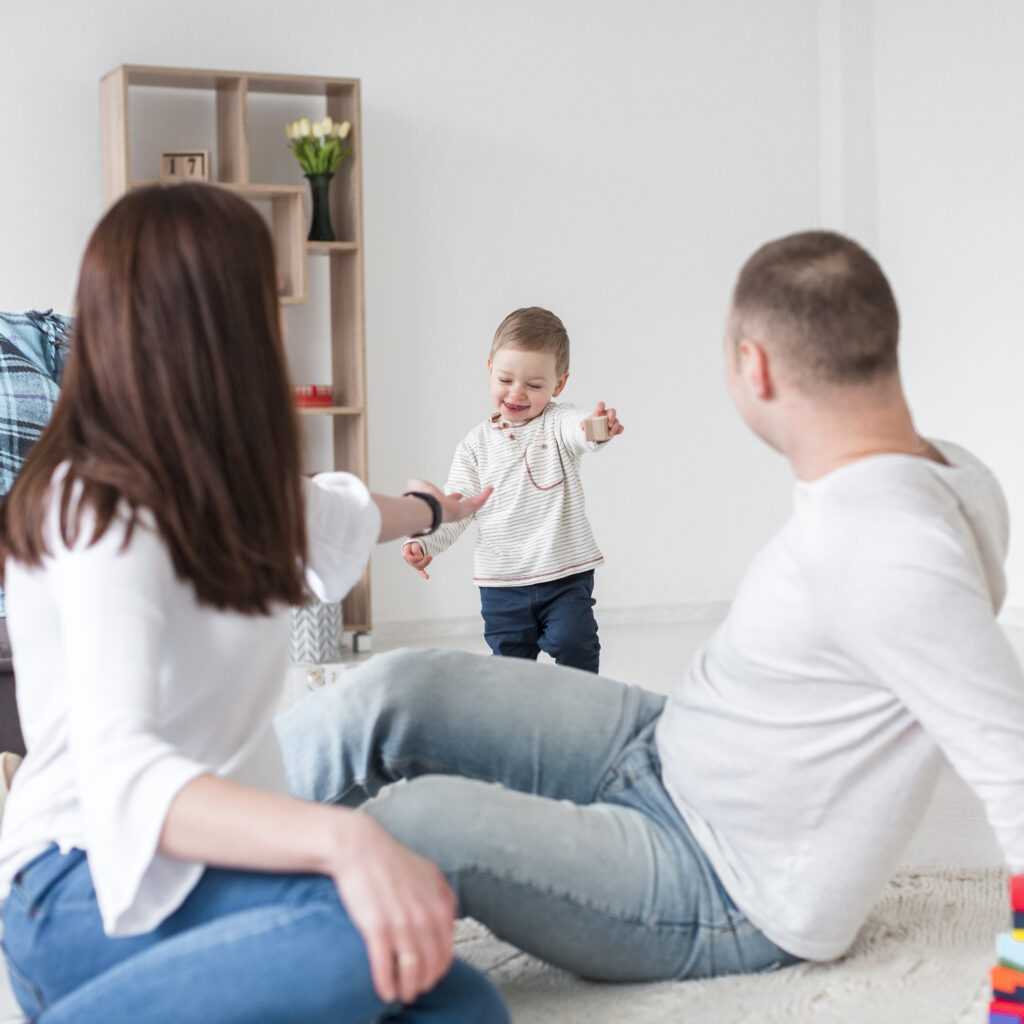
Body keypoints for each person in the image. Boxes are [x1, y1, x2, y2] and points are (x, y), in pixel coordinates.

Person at [277, 229, 1024, 980]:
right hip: (663, 746)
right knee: (395, 691)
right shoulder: (951, 473)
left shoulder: (895, 546)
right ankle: (197, 834)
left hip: (720, 878)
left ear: (753, 366)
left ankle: (222, 946)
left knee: (409, 826)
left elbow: (1012, 762)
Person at [0, 183, 507, 1023]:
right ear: (215, 326)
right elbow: (122, 774)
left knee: (458, 1000)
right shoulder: (94, 507)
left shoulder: (240, 489)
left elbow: (353, 513)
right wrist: (345, 839)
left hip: (214, 865)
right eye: (267, 299)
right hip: (80, 884)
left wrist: (437, 508)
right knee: (358, 937)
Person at [402, 306, 624, 673]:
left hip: (563, 575)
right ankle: (517, 720)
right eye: (506, 380)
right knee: (509, 667)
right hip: (501, 583)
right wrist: (427, 543)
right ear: (490, 367)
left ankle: (582, 710)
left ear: (559, 384)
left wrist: (597, 428)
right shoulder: (474, 446)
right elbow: (457, 506)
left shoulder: (556, 424)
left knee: (575, 642)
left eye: (535, 385)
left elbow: (579, 430)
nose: (517, 393)